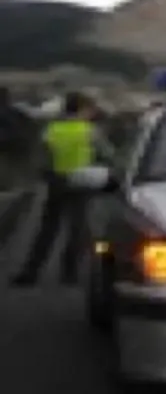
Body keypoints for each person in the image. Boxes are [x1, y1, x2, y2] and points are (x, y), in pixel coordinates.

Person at [9, 92, 112, 287]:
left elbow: (42, 158)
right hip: (81, 182)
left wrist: (48, 175)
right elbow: (108, 154)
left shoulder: (51, 130)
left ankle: (30, 272)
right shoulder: (89, 131)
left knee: (47, 229)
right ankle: (69, 273)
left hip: (57, 183)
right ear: (82, 109)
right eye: (90, 109)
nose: (92, 113)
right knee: (78, 229)